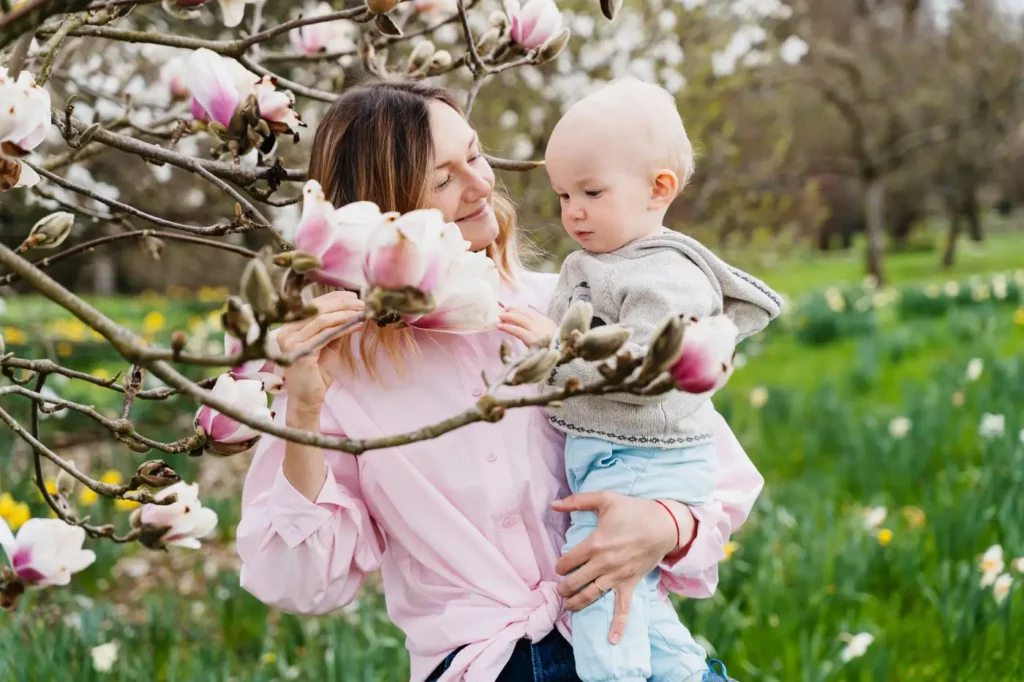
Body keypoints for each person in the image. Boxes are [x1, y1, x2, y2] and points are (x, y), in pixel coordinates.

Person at [236, 79, 764, 682]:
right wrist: (302, 412)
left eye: (477, 154)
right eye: (443, 179)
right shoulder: (336, 377)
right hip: (485, 666)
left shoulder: (563, 312)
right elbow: (297, 581)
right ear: (385, 215)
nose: (482, 183)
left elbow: (719, 470)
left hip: (630, 648)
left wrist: (666, 525)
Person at [496, 79, 781, 682]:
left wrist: (552, 350)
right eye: (563, 194)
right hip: (616, 457)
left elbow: (644, 369)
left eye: (592, 192)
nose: (572, 211)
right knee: (637, 602)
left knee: (597, 593)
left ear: (659, 189)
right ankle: (684, 672)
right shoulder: (601, 261)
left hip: (641, 459)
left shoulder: (665, 275)